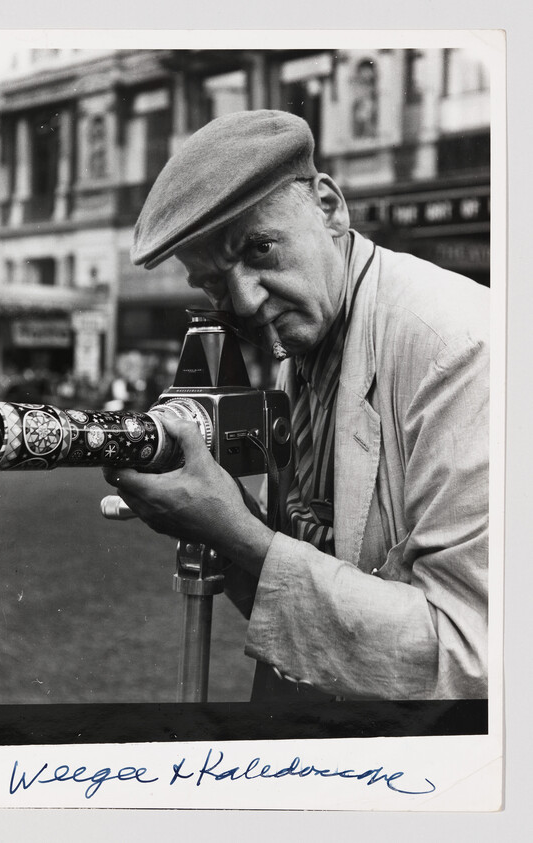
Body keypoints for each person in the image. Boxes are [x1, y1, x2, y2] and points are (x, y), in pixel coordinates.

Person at [105, 110, 489, 701]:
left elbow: (471, 652)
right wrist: (215, 515)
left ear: (329, 207)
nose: (245, 300)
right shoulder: (308, 342)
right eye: (212, 284)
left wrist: (238, 534)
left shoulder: (458, 347)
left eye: (260, 250)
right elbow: (309, 589)